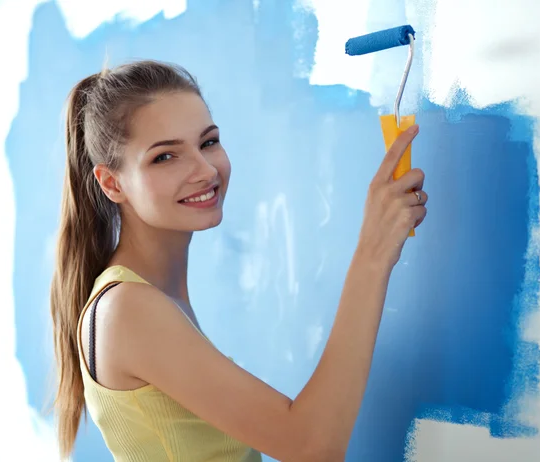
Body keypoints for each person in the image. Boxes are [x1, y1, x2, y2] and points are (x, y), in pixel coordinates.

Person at [49, 59, 428, 462]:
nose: (205, 169)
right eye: (165, 157)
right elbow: (312, 445)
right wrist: (372, 252)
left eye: (208, 142)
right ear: (112, 183)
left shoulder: (148, 297)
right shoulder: (127, 309)